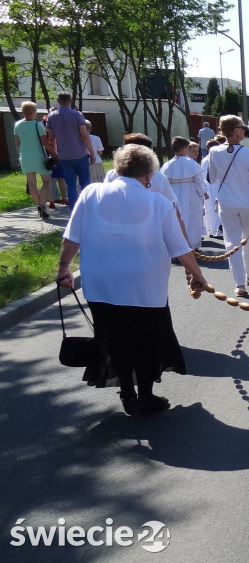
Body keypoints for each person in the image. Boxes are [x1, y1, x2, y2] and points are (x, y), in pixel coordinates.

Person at [56, 144, 209, 417]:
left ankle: (126, 391)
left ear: (117, 169)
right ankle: (146, 396)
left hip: (101, 285)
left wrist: (64, 267)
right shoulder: (158, 203)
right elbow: (180, 248)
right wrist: (196, 275)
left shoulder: (90, 193)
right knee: (147, 340)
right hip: (145, 288)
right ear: (149, 175)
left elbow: (72, 238)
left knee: (115, 339)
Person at [209, 115, 249, 297]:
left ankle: (239, 283)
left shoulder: (214, 152)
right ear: (235, 130)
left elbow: (211, 178)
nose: (244, 129)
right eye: (242, 127)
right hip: (248, 204)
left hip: (226, 203)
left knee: (232, 242)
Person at [46, 92, 98, 208]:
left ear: (58, 101)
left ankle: (73, 208)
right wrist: (92, 153)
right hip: (80, 154)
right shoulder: (77, 115)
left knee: (70, 184)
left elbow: (51, 138)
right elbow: (85, 136)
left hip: (64, 156)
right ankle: (87, 206)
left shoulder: (52, 116)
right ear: (71, 101)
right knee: (85, 182)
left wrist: (55, 154)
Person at [161, 136, 207, 250]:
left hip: (173, 195)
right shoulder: (191, 164)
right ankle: (192, 245)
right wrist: (203, 192)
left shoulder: (168, 165)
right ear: (183, 149)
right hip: (191, 195)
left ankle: (178, 247)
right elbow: (199, 182)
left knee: (177, 221)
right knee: (191, 220)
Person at [12, 101, 52, 219]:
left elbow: (17, 143)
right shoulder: (37, 124)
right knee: (46, 181)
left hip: (25, 157)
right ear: (34, 112)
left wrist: (20, 155)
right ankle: (42, 205)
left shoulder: (17, 125)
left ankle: (40, 206)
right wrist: (54, 153)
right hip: (39, 156)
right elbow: (44, 142)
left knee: (31, 183)